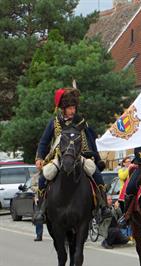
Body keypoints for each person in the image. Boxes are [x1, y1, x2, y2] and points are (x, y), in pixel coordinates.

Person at [34, 87, 107, 224]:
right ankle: (41, 209)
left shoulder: (81, 121)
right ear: (63, 108)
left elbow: (91, 140)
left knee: (96, 173)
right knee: (44, 177)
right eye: (70, 108)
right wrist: (39, 157)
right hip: (59, 157)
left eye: (74, 107)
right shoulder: (54, 122)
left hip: (80, 156)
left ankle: (103, 206)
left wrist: (97, 159)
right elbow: (44, 142)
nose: (73, 111)